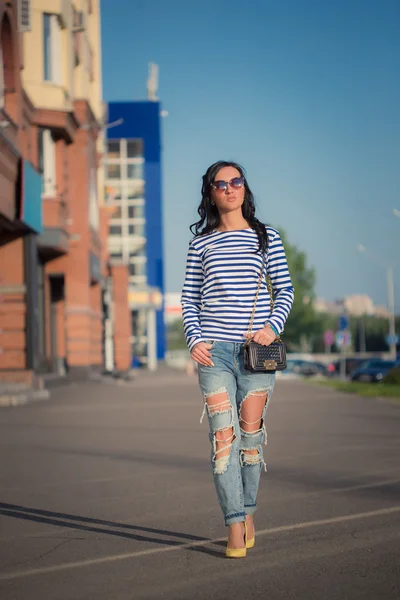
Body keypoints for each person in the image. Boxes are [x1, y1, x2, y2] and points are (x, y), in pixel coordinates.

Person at [181, 161, 294, 558]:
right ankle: (233, 522)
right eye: (221, 183)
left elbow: (285, 291)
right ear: (210, 193)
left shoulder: (267, 238)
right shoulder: (201, 243)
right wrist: (193, 338)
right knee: (223, 442)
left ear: (244, 188)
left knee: (250, 442)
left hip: (255, 353)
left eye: (236, 181)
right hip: (214, 355)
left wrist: (272, 328)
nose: (230, 188)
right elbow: (189, 299)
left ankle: (249, 513)